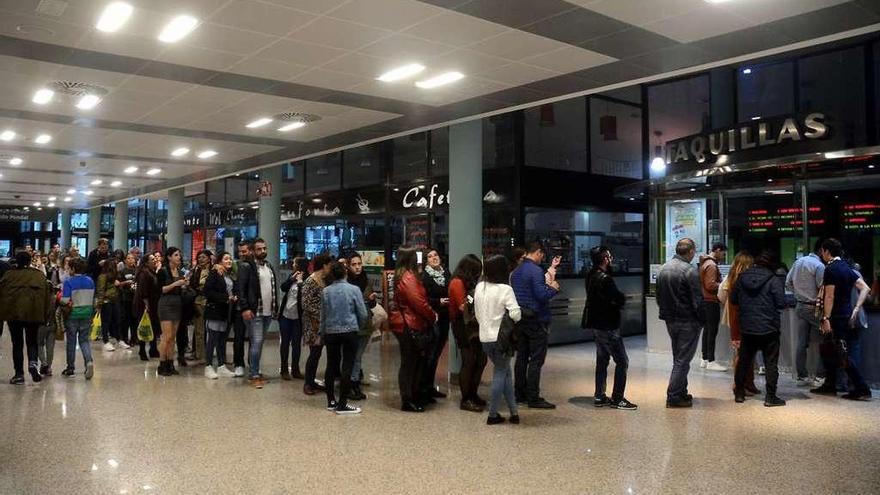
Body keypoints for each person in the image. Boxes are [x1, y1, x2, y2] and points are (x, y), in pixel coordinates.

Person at [811, 239, 872, 400]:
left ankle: (861, 388)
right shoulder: (846, 267)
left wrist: (826, 317)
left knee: (840, 353)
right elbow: (865, 288)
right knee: (834, 351)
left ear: (826, 251)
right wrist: (856, 308)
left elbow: (829, 296)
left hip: (836, 317)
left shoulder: (830, 269)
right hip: (846, 315)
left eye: (822, 251)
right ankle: (831, 384)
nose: (822, 254)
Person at [731, 251, 789, 407]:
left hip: (747, 327)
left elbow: (733, 299)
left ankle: (739, 394)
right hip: (769, 328)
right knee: (770, 363)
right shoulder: (774, 279)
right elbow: (781, 303)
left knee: (744, 361)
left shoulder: (742, 277)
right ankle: (770, 397)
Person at [584, 246, 636, 410]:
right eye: (609, 256)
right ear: (605, 259)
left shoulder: (590, 275)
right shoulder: (606, 279)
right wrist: (621, 299)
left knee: (602, 359)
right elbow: (618, 299)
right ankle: (618, 398)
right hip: (609, 326)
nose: (612, 259)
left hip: (597, 325)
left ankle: (599, 395)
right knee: (622, 361)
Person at [510, 241, 560, 409]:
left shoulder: (516, 271)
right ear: (538, 253)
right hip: (537, 320)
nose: (542, 258)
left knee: (521, 358)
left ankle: (519, 394)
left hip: (520, 319)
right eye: (542, 255)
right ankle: (533, 397)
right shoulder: (536, 271)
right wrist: (553, 288)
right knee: (536, 360)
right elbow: (541, 295)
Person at [475, 255, 522, 425]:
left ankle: (514, 412)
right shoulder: (505, 289)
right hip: (501, 338)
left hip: (485, 338)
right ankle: (493, 414)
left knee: (505, 373)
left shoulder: (480, 287)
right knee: (501, 374)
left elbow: (478, 315)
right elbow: (516, 314)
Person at [656, 238, 703, 408]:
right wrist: (702, 320)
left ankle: (681, 391)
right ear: (690, 252)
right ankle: (674, 396)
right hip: (687, 320)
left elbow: (658, 296)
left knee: (678, 357)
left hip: (670, 320)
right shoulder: (689, 270)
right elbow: (697, 300)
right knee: (683, 359)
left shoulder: (663, 268)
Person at [390, 246, 437, 412]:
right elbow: (419, 302)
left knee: (411, 362)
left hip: (406, 323)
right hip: (409, 324)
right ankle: (408, 399)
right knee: (410, 363)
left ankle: (411, 396)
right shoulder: (408, 278)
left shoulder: (401, 275)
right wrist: (433, 316)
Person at [319, 261, 369, 415]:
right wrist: (359, 326)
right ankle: (343, 403)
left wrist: (322, 333)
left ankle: (331, 401)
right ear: (346, 273)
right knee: (347, 365)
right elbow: (363, 313)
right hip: (350, 331)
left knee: (331, 365)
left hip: (331, 332)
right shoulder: (354, 290)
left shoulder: (326, 291)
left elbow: (323, 315)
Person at [0, 250, 54, 384]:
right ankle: (32, 364)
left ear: (16, 261)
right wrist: (47, 315)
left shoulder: (8, 275)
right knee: (32, 341)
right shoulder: (39, 276)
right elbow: (48, 297)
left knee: (17, 343)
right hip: (34, 313)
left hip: (14, 314)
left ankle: (19, 375)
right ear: (30, 261)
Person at [236, 238, 278, 388]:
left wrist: (275, 308)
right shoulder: (246, 266)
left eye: (264, 248)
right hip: (255, 312)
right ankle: (254, 374)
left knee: (259, 344)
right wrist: (245, 308)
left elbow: (272, 289)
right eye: (259, 249)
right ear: (253, 251)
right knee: (257, 342)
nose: (263, 251)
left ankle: (256, 371)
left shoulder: (268, 266)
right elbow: (240, 289)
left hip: (267, 311)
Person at [785, 239, 826, 387]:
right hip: (814, 307)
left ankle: (801, 376)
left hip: (800, 306)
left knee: (801, 342)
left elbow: (788, 282)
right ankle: (820, 375)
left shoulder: (798, 262)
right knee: (824, 340)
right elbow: (823, 288)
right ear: (822, 250)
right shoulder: (819, 266)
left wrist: (798, 294)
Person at [449, 254, 487, 412]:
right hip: (463, 326)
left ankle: (473, 393)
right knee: (469, 360)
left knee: (480, 360)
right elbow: (462, 308)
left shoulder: (466, 282)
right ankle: (466, 399)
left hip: (471, 325)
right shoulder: (457, 283)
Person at [718, 251, 759, 396]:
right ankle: (739, 384)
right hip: (743, 320)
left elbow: (720, 296)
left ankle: (748, 383)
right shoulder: (743, 281)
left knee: (743, 353)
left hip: (734, 318)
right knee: (743, 354)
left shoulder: (729, 279)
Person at [420, 248, 451, 402]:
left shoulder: (446, 273)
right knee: (430, 354)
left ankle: (430, 387)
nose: (434, 258)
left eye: (436, 255)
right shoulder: (425, 276)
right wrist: (438, 302)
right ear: (426, 261)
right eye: (430, 256)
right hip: (433, 318)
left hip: (445, 317)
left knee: (437, 354)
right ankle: (424, 388)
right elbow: (423, 299)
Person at [202, 251, 237, 379]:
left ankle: (221, 366)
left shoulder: (229, 274)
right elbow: (207, 292)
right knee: (212, 339)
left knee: (222, 340)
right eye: (226, 259)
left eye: (230, 259)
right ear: (220, 261)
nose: (229, 261)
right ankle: (208, 366)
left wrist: (233, 297)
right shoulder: (215, 272)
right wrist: (226, 298)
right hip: (215, 311)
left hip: (226, 312)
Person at [346, 252, 376, 400]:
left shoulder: (367, 280)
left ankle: (354, 382)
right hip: (350, 324)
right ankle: (351, 383)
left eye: (359, 264)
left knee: (358, 356)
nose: (357, 267)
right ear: (348, 266)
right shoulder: (345, 281)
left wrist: (371, 301)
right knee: (352, 356)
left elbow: (372, 305)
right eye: (354, 264)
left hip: (365, 324)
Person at [60, 258, 96, 380]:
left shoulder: (68, 282)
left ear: (73, 269)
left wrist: (58, 298)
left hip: (72, 314)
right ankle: (89, 362)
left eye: (69, 268)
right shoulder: (90, 281)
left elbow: (65, 300)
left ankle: (70, 368)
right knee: (84, 340)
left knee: (71, 341)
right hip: (87, 313)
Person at [301, 253, 332, 395]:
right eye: (329, 265)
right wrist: (320, 314)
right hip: (313, 323)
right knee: (314, 353)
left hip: (322, 322)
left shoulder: (324, 280)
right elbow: (305, 304)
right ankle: (308, 383)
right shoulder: (310, 281)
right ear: (324, 265)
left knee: (318, 353)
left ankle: (312, 380)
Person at [157, 247, 187, 376]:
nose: (178, 257)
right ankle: (162, 363)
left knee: (173, 337)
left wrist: (184, 284)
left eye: (179, 255)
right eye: (176, 255)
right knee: (167, 336)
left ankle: (170, 363)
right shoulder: (163, 271)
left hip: (177, 303)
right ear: (169, 257)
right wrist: (176, 284)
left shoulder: (179, 271)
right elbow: (161, 289)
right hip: (166, 304)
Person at [698, 242, 728, 372]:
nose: (723, 255)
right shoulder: (711, 265)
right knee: (712, 331)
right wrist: (722, 284)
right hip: (711, 301)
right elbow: (710, 285)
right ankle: (711, 361)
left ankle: (705, 359)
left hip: (704, 301)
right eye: (723, 253)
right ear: (717, 250)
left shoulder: (704, 263)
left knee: (707, 330)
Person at [278, 257, 307, 381]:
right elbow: (283, 287)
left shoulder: (307, 279)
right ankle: (284, 369)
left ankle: (295, 370)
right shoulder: (292, 275)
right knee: (284, 343)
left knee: (296, 344)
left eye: (294, 263)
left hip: (298, 318)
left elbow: (304, 297)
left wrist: (300, 283)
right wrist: (292, 279)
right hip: (286, 315)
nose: (292, 264)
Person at [230, 240, 253, 377]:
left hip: (253, 307)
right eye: (240, 251)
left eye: (244, 251)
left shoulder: (256, 266)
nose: (242, 254)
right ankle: (238, 363)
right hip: (239, 307)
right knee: (238, 337)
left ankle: (253, 363)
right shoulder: (235, 265)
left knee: (254, 338)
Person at [96, 259, 128, 352]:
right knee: (106, 322)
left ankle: (119, 339)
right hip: (106, 301)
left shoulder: (116, 276)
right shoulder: (103, 276)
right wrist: (99, 304)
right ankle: (106, 341)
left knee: (118, 320)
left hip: (116, 300)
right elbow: (100, 291)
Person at [134, 253, 161, 361]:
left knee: (153, 326)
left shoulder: (152, 271)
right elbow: (143, 291)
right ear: (146, 262)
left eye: (155, 259)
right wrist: (146, 304)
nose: (155, 260)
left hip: (153, 303)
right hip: (144, 304)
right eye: (152, 259)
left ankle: (153, 349)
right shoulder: (144, 273)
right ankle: (142, 350)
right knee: (144, 326)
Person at [188, 249, 213, 364]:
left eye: (203, 257)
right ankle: (199, 354)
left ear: (209, 258)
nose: (200, 259)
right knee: (199, 329)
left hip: (211, 302)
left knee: (212, 329)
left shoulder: (214, 270)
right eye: (199, 257)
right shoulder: (195, 270)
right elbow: (192, 285)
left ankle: (209, 352)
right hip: (198, 302)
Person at [117, 253, 138, 347]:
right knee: (126, 319)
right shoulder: (122, 271)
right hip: (125, 298)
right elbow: (118, 284)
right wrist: (126, 282)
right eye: (129, 258)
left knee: (135, 319)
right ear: (125, 260)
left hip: (135, 298)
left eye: (132, 258)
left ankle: (135, 338)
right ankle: (124, 338)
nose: (131, 260)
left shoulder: (137, 271)